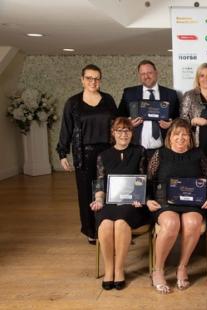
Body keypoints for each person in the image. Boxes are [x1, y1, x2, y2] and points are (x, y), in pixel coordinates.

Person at [146, 118, 207, 294]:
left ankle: (182, 267)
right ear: (170, 137)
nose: (181, 138)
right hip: (164, 202)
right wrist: (147, 199)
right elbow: (147, 180)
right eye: (176, 134)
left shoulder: (198, 154)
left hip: (192, 202)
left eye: (185, 134)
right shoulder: (160, 154)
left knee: (193, 223)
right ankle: (158, 270)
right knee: (171, 224)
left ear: (190, 138)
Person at [56, 64, 117, 244]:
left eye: (97, 78)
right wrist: (62, 153)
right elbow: (66, 129)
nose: (93, 81)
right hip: (84, 154)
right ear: (82, 80)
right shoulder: (73, 103)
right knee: (86, 193)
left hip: (107, 152)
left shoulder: (108, 100)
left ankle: (112, 228)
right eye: (89, 78)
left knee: (110, 190)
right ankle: (91, 230)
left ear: (100, 80)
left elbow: (117, 125)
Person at [90, 117, 152, 290]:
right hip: (110, 201)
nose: (123, 134)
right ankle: (109, 270)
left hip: (133, 203)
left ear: (132, 133)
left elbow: (144, 180)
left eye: (127, 130)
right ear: (113, 133)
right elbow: (101, 183)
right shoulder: (104, 156)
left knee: (121, 223)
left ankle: (119, 269)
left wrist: (141, 198)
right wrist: (98, 200)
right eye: (119, 130)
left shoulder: (140, 151)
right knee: (105, 225)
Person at [118, 59, 180, 159]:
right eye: (143, 74)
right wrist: (129, 123)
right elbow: (119, 118)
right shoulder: (129, 93)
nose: (146, 76)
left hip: (164, 149)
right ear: (139, 75)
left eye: (149, 73)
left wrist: (171, 124)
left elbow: (179, 118)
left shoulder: (170, 94)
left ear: (156, 73)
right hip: (135, 148)